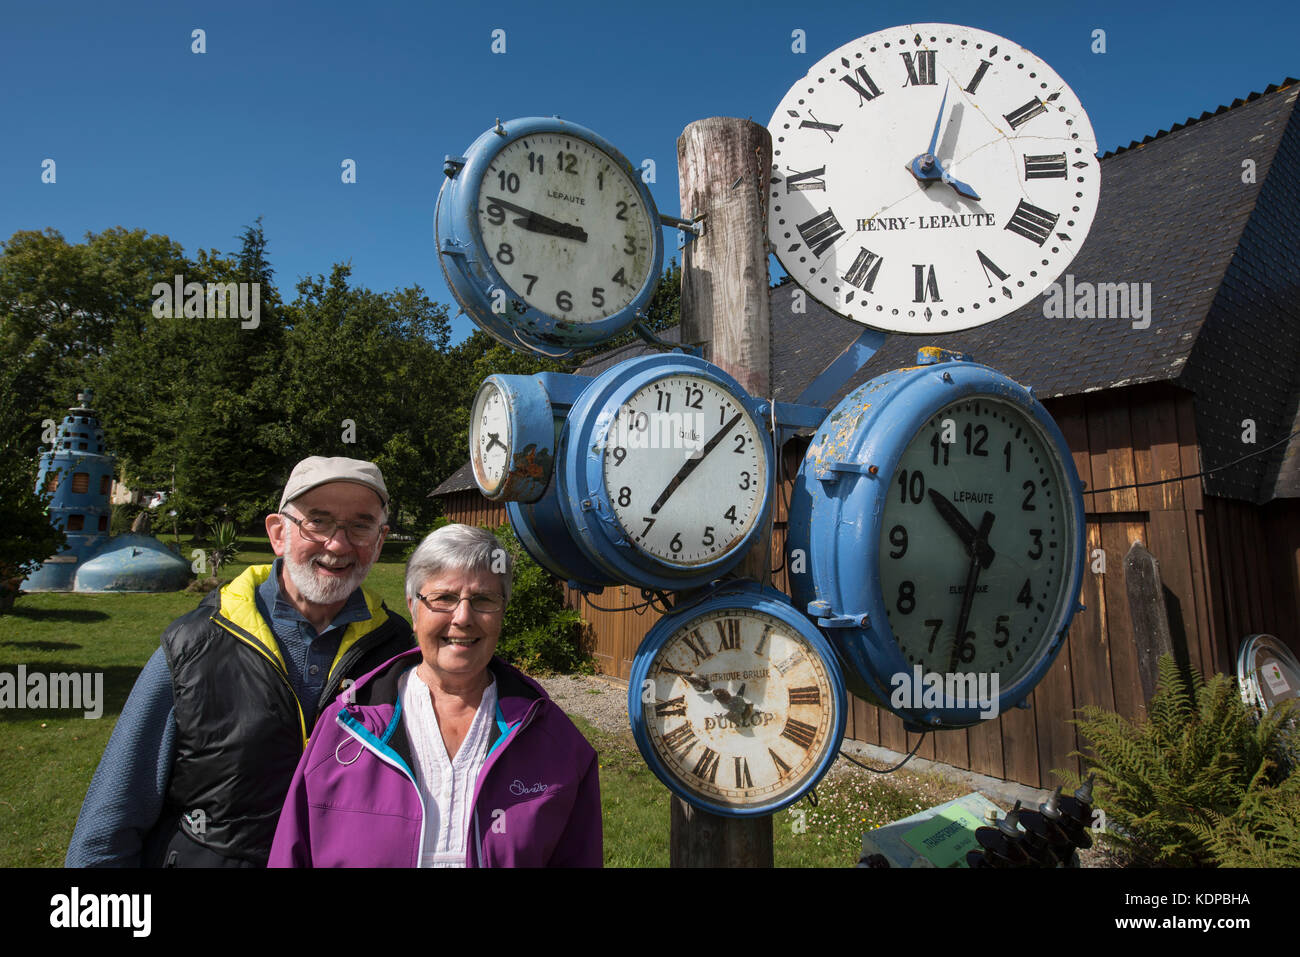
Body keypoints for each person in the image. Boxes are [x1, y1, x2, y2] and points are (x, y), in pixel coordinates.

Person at [65, 456, 414, 867]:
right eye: (317, 522)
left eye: (360, 525)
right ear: (279, 533)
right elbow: (111, 822)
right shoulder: (193, 645)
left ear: (379, 539)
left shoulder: (401, 654)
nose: (338, 545)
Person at [268, 523, 602, 867]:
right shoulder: (346, 727)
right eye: (444, 598)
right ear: (413, 608)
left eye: (484, 600)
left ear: (503, 611)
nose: (463, 617)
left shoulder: (556, 741)